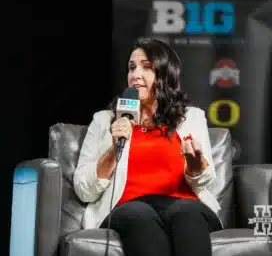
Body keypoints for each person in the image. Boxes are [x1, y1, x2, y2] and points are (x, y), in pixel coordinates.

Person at [73, 38, 223, 256]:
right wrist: (114, 149)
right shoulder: (104, 121)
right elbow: (83, 189)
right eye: (131, 68)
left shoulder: (190, 118)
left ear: (164, 75)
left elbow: (205, 179)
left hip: (183, 205)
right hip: (129, 208)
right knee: (138, 213)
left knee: (187, 211)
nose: (135, 75)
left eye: (146, 67)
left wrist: (195, 162)